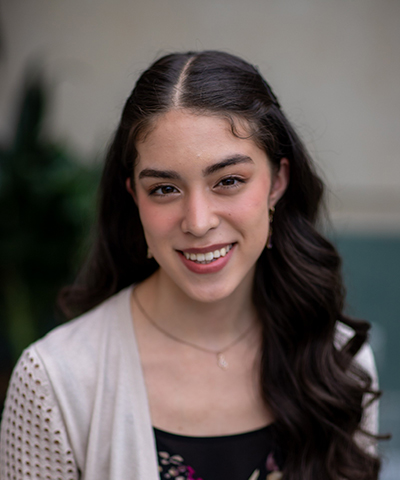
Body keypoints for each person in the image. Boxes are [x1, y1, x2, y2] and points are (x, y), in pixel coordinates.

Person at [0, 50, 382, 480]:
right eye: (165, 188)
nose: (198, 222)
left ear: (277, 182)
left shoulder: (338, 362)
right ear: (134, 198)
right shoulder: (54, 381)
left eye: (229, 181)